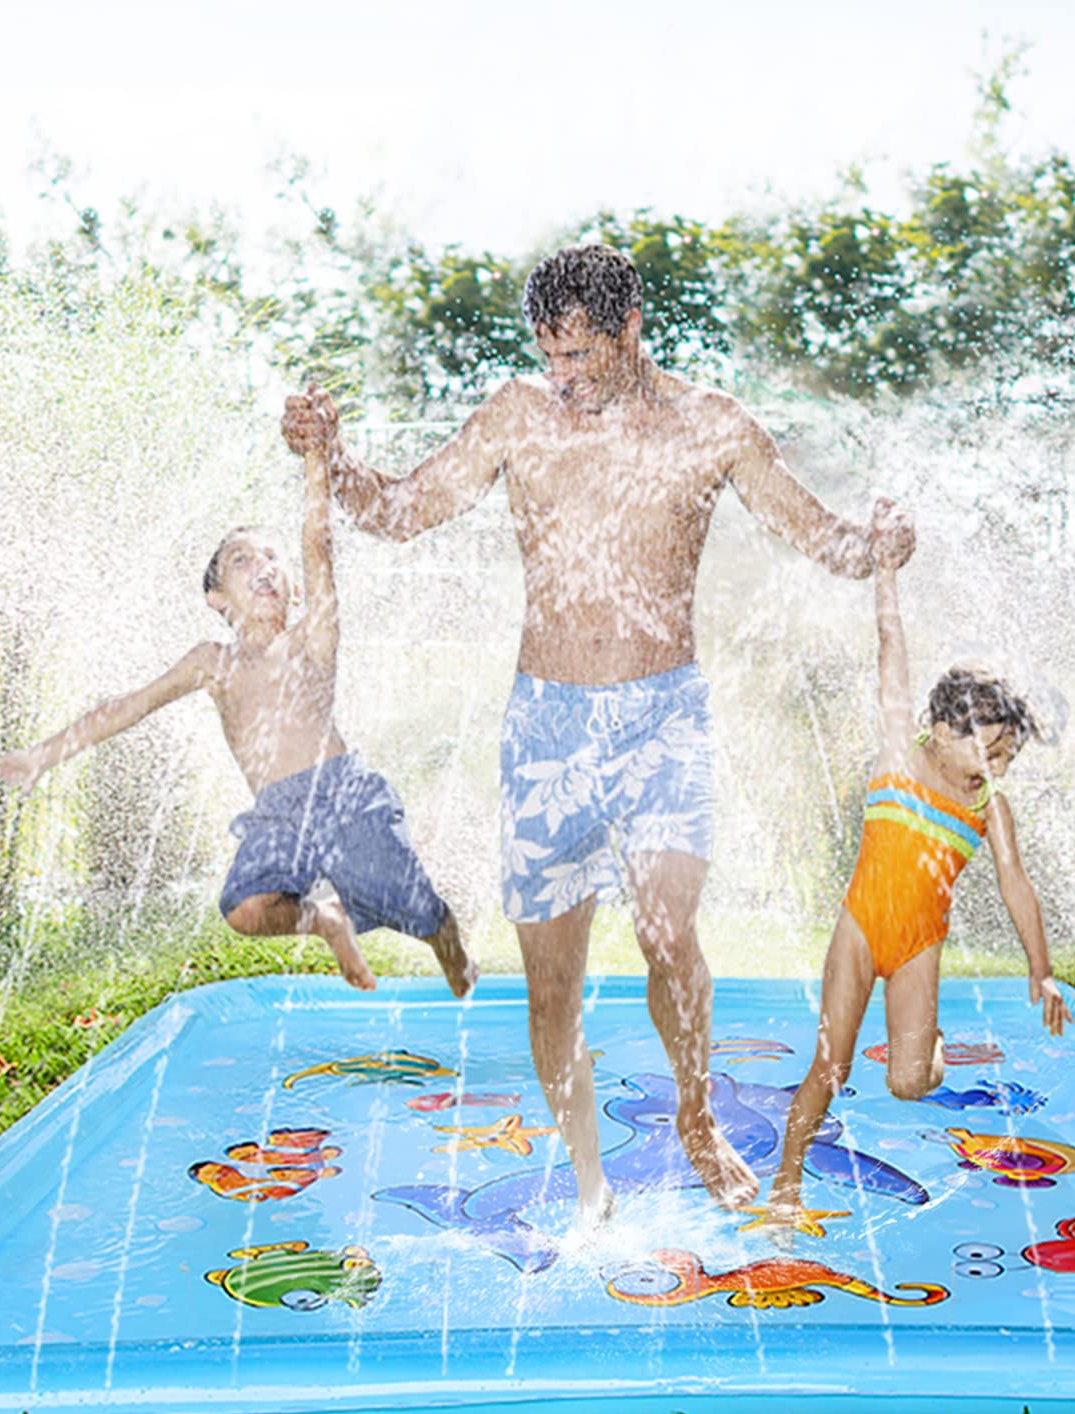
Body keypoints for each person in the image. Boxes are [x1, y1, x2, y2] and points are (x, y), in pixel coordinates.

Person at [281, 242, 915, 1225]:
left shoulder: (712, 428)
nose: (563, 377)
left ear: (630, 329)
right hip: (547, 729)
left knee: (670, 939)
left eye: (580, 355)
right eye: (550, 356)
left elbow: (821, 538)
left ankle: (696, 1118)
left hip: (662, 720)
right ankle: (588, 1181)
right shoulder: (515, 417)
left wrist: (878, 545)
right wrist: (331, 457)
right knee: (550, 985)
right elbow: (400, 512)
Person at [0, 449, 476, 998]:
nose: (264, 566)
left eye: (273, 558)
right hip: (278, 812)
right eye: (242, 561)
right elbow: (129, 706)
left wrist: (317, 461)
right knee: (246, 908)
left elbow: (317, 542)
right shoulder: (212, 663)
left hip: (344, 793)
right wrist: (43, 755)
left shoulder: (311, 639)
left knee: (418, 910)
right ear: (217, 598)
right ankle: (325, 921)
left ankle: (454, 955)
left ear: (294, 588)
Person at [764, 555, 1071, 1223]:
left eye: (1008, 758)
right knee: (831, 1066)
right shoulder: (899, 754)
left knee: (908, 1085)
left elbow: (1017, 885)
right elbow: (890, 648)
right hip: (860, 927)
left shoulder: (989, 806)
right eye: (988, 754)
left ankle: (925, 1050)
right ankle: (786, 1187)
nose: (996, 769)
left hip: (919, 945)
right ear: (941, 731)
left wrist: (1041, 972)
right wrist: (886, 574)